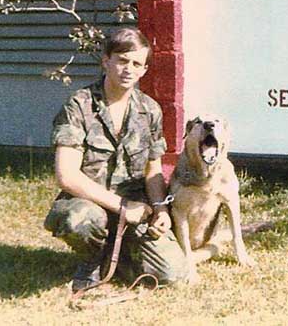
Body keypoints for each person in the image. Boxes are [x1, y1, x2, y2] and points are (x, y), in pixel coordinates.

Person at [44, 27, 188, 291]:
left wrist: (160, 210)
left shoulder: (150, 110)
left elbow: (152, 170)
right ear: (106, 61)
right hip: (88, 202)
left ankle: (118, 251)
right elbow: (67, 175)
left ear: (144, 69)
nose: (128, 69)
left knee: (173, 274)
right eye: (121, 60)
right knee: (78, 220)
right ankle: (92, 260)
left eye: (136, 63)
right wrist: (122, 206)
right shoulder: (79, 105)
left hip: (136, 207)